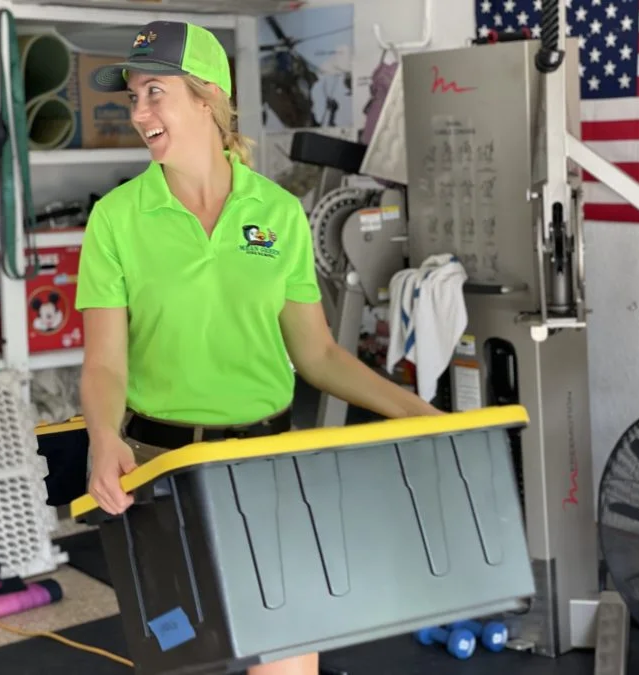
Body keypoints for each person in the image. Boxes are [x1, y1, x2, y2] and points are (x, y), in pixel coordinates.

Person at [75, 20, 443, 675]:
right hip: (161, 472)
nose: (138, 112)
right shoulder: (116, 220)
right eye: (132, 97)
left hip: (269, 467)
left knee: (287, 662)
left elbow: (319, 355)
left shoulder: (276, 214)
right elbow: (105, 361)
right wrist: (104, 435)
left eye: (155, 92)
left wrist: (414, 411)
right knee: (186, 656)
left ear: (207, 97)